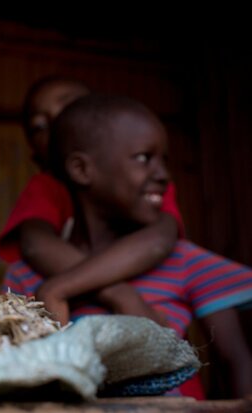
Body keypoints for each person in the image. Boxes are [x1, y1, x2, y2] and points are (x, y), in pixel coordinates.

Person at [41, 94, 252, 398]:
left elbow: (238, 365)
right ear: (81, 170)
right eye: (144, 158)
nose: (163, 175)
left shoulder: (185, 260)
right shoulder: (28, 274)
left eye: (164, 160)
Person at [0, 77, 184, 326]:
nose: (57, 124)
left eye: (70, 107)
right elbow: (35, 244)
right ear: (33, 152)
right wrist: (116, 293)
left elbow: (160, 238)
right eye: (39, 126)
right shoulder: (46, 186)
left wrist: (63, 287)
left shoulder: (148, 180)